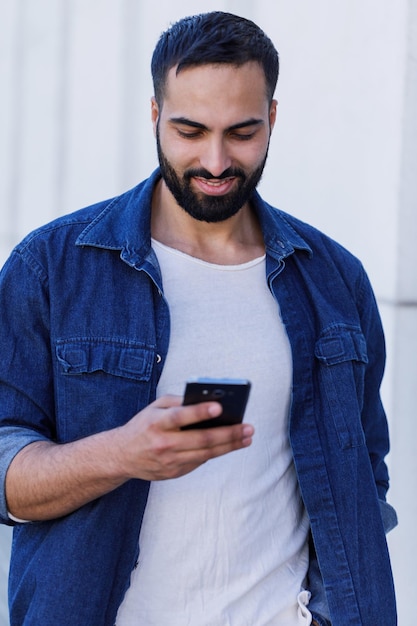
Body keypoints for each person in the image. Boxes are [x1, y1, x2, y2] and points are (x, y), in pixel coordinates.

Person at [0, 11, 397, 626]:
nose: (215, 161)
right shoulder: (51, 267)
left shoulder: (335, 281)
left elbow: (363, 477)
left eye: (242, 132)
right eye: (190, 131)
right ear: (155, 116)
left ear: (273, 119)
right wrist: (122, 454)